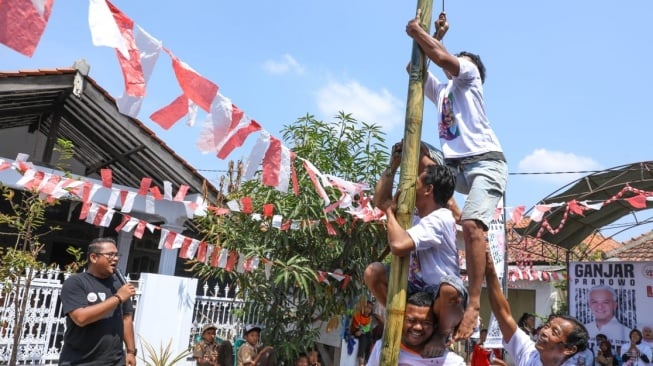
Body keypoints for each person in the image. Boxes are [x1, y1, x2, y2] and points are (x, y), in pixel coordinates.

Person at [405, 9, 508, 341]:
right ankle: (461, 220)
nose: (452, 61)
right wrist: (435, 36)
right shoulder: (445, 92)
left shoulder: (469, 76)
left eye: (456, 59)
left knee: (472, 226)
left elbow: (439, 57)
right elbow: (416, 67)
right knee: (420, 156)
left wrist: (418, 30)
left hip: (485, 163)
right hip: (454, 167)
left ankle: (474, 304)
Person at [364, 142, 466, 356]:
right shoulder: (414, 208)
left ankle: (441, 333)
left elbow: (399, 246)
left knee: (449, 289)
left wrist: (391, 214)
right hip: (416, 289)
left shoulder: (441, 215)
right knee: (373, 272)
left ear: (429, 189)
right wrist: (393, 165)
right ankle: (398, 322)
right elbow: (381, 201)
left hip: (442, 294)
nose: (413, 185)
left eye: (418, 181)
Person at [484, 250, 590, 366]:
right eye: (547, 326)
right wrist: (489, 269)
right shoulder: (529, 354)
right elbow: (503, 315)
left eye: (554, 332)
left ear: (570, 349)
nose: (544, 332)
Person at [59, 237, 137, 366]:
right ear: (94, 258)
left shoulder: (119, 284)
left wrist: (130, 351)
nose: (116, 259)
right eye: (110, 255)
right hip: (80, 361)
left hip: (115, 361)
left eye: (117, 255)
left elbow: (126, 318)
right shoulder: (76, 283)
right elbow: (81, 318)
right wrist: (117, 298)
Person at [366, 291, 466, 366]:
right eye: (411, 320)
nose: (417, 327)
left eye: (426, 323)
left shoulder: (451, 362)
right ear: (401, 320)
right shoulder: (383, 348)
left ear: (435, 325)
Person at [350, 300, 374, 366]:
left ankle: (366, 360)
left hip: (362, 332)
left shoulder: (369, 318)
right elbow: (350, 314)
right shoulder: (357, 314)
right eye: (367, 307)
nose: (368, 310)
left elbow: (367, 328)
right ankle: (361, 359)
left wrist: (361, 331)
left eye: (370, 308)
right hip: (355, 331)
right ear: (363, 307)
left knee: (369, 338)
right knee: (364, 337)